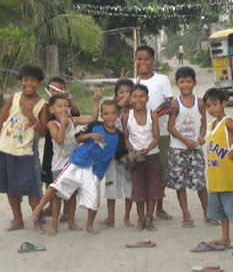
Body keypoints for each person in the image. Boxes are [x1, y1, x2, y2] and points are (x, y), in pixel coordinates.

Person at [33, 100, 127, 234]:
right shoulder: (95, 125)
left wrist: (131, 160)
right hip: (79, 161)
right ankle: (38, 209)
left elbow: (120, 155)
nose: (110, 116)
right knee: (57, 184)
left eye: (113, 113)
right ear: (102, 115)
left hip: (96, 170)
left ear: (118, 114)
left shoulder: (119, 136)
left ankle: (89, 224)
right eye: (106, 114)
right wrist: (90, 135)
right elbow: (77, 138)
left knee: (94, 199)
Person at [0, 65, 49, 232]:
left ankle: (37, 221)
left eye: (33, 80)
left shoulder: (42, 105)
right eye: (25, 79)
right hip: (5, 149)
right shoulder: (13, 98)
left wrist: (30, 115)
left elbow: (43, 131)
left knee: (32, 189)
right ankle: (18, 220)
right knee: (10, 187)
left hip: (25, 153)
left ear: (38, 82)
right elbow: (0, 122)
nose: (28, 83)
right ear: (21, 81)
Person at [201, 88, 233, 257]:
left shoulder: (227, 122)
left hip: (230, 177)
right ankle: (225, 238)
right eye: (208, 106)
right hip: (216, 178)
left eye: (215, 104)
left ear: (223, 103)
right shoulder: (210, 125)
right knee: (221, 210)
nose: (212, 109)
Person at [165, 67, 219, 228]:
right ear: (177, 84)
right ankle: (186, 214)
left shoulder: (201, 103)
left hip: (195, 150)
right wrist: (185, 140)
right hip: (177, 150)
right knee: (180, 184)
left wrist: (201, 137)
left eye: (189, 81)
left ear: (195, 83)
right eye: (182, 82)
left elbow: (203, 124)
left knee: (200, 182)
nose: (186, 85)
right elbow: (171, 127)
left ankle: (208, 213)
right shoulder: (175, 103)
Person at [43, 89, 101, 235]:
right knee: (57, 197)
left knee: (72, 196)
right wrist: (63, 124)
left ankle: (71, 221)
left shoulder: (73, 120)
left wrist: (96, 101)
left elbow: (93, 118)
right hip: (58, 166)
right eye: (60, 106)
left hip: (73, 165)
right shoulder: (52, 124)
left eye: (66, 106)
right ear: (52, 109)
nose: (64, 109)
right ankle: (54, 225)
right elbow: (60, 139)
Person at [135, 45, 174, 220]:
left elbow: (170, 103)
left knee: (159, 170)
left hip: (162, 132)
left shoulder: (162, 79)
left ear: (153, 61)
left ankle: (159, 207)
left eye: (146, 59)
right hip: (138, 135)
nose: (142, 62)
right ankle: (141, 212)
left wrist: (161, 113)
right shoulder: (133, 82)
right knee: (140, 171)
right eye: (139, 59)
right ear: (135, 61)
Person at [122, 84, 164, 231]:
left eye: (142, 96)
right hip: (135, 158)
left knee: (153, 189)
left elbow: (157, 137)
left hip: (152, 156)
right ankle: (141, 219)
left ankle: (149, 218)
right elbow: (126, 138)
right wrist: (133, 150)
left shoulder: (153, 115)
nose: (138, 99)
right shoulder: (127, 117)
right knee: (138, 190)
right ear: (130, 99)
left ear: (147, 98)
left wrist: (148, 149)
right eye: (134, 96)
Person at [41, 76, 80, 221]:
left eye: (59, 89)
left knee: (67, 179)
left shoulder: (65, 106)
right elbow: (44, 123)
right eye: (52, 89)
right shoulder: (48, 106)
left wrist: (68, 99)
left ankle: (66, 211)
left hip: (67, 150)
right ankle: (51, 206)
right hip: (50, 147)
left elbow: (76, 113)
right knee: (49, 177)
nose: (55, 91)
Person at [100, 79, 135, 228]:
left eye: (129, 92)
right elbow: (116, 106)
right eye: (122, 92)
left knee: (129, 186)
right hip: (112, 157)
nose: (126, 95)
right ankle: (110, 217)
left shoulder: (136, 112)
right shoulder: (113, 113)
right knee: (111, 185)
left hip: (128, 156)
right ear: (116, 97)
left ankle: (127, 217)